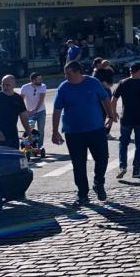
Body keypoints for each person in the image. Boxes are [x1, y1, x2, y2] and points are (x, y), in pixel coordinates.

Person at [52, 60, 118, 204]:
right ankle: (82, 193)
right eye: (65, 74)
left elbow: (105, 98)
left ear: (77, 72)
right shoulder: (63, 88)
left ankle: (98, 183)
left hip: (96, 129)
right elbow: (57, 110)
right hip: (73, 132)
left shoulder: (93, 83)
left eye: (68, 73)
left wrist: (111, 115)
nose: (66, 76)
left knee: (102, 158)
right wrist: (54, 131)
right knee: (78, 163)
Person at [113, 63, 140, 178]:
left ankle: (122, 167)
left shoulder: (122, 83)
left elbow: (113, 100)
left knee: (123, 143)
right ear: (138, 71)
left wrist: (113, 113)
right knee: (139, 144)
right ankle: (136, 170)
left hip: (126, 118)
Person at [0, 75, 30, 148]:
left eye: (8, 85)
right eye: (3, 85)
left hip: (12, 135)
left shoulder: (18, 98)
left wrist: (29, 133)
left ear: (14, 85)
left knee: (14, 157)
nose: (5, 87)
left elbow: (24, 118)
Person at [19, 73, 48, 139]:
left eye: (41, 78)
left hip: (41, 111)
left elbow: (41, 100)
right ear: (33, 80)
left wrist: (35, 110)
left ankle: (39, 146)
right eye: (39, 79)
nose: (41, 80)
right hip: (29, 112)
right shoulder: (25, 87)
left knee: (41, 130)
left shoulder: (43, 86)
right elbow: (21, 101)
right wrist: (25, 111)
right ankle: (30, 146)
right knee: (29, 129)